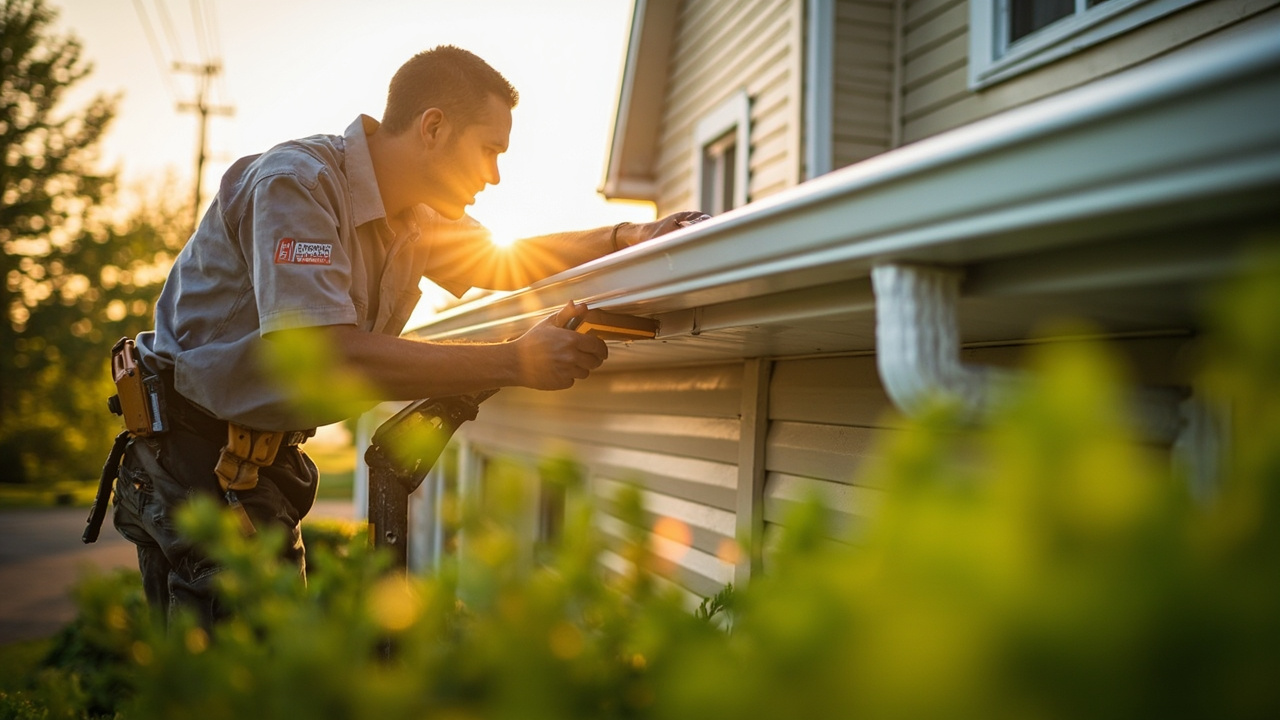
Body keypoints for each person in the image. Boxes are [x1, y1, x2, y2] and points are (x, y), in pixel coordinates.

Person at [102, 45, 707, 626]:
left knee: (268, 679)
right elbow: (328, 354)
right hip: (194, 460)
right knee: (230, 687)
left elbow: (505, 258)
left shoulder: (412, 215)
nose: (495, 175)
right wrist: (514, 361)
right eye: (490, 149)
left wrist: (626, 236)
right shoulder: (298, 185)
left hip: (254, 467)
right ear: (434, 127)